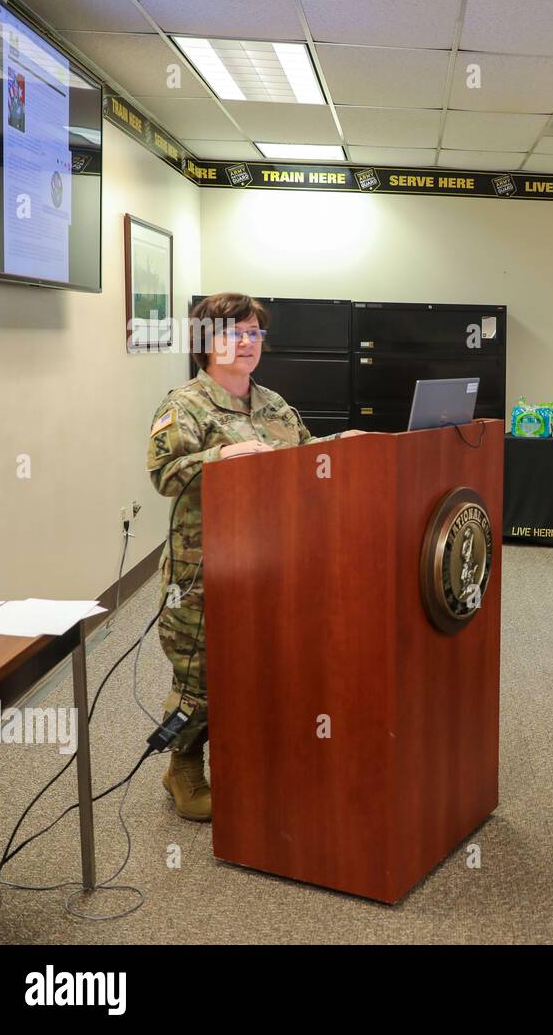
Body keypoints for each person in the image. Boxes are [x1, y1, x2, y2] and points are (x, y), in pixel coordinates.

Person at [147, 292, 363, 821]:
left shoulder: (273, 403)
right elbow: (164, 475)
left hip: (270, 564)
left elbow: (304, 454)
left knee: (264, 664)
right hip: (204, 569)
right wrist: (222, 454)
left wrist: (346, 442)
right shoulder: (185, 405)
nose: (247, 343)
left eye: (253, 333)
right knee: (201, 676)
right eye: (233, 333)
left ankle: (252, 761)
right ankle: (183, 765)